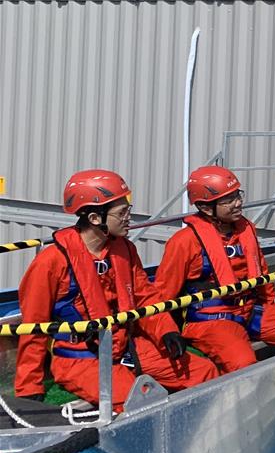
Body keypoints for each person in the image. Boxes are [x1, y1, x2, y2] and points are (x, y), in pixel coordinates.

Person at [15, 170, 217, 411]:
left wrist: (166, 331)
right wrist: (29, 389)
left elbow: (146, 298)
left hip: (126, 345)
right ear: (94, 217)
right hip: (80, 358)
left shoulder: (125, 250)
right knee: (139, 401)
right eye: (122, 213)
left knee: (206, 373)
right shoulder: (51, 262)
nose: (128, 218)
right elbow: (33, 325)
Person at [151, 166, 275, 374]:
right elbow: (162, 294)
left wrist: (272, 307)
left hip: (251, 311)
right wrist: (167, 331)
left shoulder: (246, 228)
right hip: (211, 320)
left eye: (237, 195)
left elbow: (261, 274)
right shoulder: (184, 242)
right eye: (229, 200)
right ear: (206, 208)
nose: (238, 203)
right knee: (243, 363)